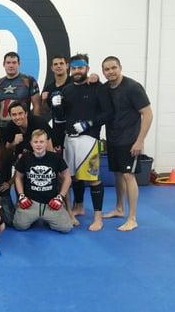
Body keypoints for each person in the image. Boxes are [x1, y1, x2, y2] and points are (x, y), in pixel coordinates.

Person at [101, 56, 153, 231]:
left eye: (113, 68)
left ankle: (132, 218)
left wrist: (140, 140)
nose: (110, 72)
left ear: (120, 67)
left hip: (130, 141)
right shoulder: (106, 88)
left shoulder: (133, 87)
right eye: (107, 69)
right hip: (113, 139)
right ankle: (119, 208)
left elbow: (147, 114)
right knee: (118, 174)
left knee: (128, 176)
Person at [62, 54, 113, 231]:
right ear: (71, 69)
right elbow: (62, 117)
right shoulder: (67, 90)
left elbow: (108, 113)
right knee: (74, 176)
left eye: (80, 68)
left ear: (87, 68)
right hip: (69, 139)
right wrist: (55, 106)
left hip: (89, 139)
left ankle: (98, 216)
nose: (77, 71)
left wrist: (88, 123)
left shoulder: (97, 87)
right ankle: (78, 206)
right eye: (74, 68)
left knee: (92, 178)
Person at [13, 129, 72, 233]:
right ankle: (36, 216)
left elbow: (67, 178)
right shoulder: (25, 158)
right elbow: (17, 177)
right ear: (31, 143)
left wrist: (60, 197)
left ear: (46, 143)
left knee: (66, 228)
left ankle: (46, 217)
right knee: (19, 225)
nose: (38, 145)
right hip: (31, 202)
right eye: (35, 142)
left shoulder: (55, 158)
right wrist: (21, 196)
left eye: (41, 142)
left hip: (51, 202)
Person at [0, 51, 41, 139]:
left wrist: (35, 127)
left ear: (19, 64)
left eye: (14, 62)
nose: (11, 65)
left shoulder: (28, 80)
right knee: (3, 152)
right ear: (3, 64)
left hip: (21, 127)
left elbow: (37, 105)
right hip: (2, 127)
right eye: (8, 63)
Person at [41, 55, 72, 150]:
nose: (58, 66)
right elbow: (45, 110)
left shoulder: (74, 83)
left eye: (61, 63)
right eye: (56, 64)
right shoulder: (49, 88)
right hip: (57, 131)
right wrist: (44, 100)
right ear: (52, 68)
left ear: (67, 66)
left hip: (73, 131)